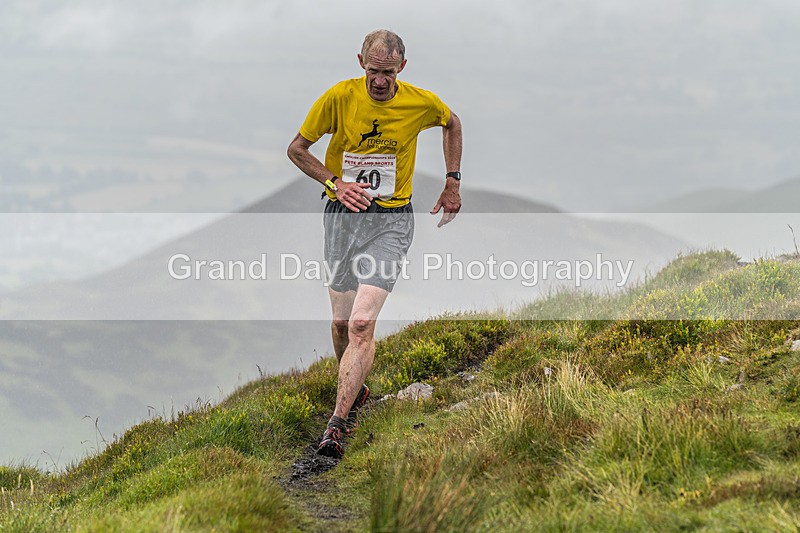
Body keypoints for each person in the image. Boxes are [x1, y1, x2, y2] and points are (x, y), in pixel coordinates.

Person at [287, 29, 462, 458]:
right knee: (341, 324)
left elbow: (452, 123)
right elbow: (297, 149)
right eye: (372, 71)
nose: (380, 81)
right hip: (343, 218)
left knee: (361, 324)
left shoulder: (420, 102)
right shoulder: (339, 98)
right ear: (360, 63)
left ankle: (337, 424)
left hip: (391, 221)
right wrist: (336, 182)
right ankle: (356, 390)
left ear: (402, 67)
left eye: (388, 73)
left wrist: (452, 181)